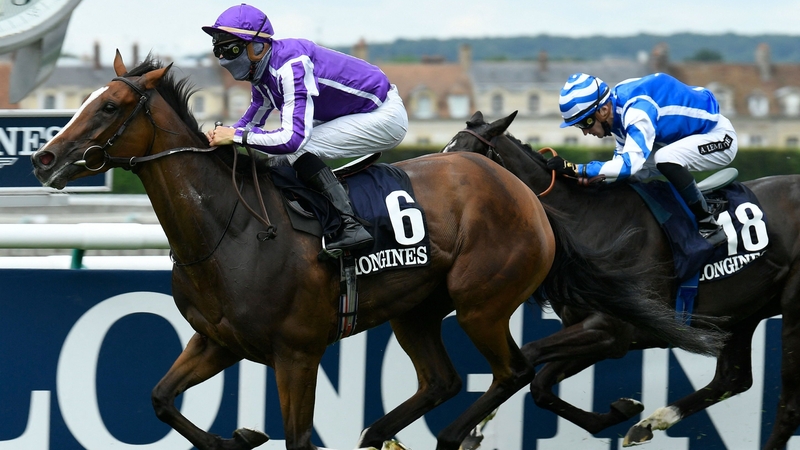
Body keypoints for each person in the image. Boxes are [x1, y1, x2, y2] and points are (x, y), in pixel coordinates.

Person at [202, 3, 409, 252]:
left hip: (383, 114)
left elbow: (292, 140)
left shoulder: (290, 66)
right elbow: (251, 122)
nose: (223, 57)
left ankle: (350, 225)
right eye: (218, 50)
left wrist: (236, 136)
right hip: (356, 112)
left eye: (230, 48)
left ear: (257, 47)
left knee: (295, 148)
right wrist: (219, 137)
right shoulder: (262, 74)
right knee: (273, 149)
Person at [548, 72, 738, 247]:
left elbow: (628, 165)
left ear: (604, 110)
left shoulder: (637, 112)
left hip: (719, 137)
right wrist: (582, 180)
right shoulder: (616, 108)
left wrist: (578, 169)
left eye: (585, 123)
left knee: (665, 158)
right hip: (683, 137)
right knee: (626, 178)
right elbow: (620, 169)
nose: (585, 132)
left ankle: (709, 225)